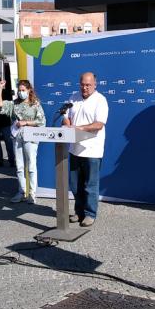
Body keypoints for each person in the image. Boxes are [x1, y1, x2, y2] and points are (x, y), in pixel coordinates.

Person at [62, 72, 108, 227]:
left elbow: (99, 124)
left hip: (92, 150)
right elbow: (65, 115)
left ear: (95, 84)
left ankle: (90, 214)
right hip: (74, 149)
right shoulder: (73, 97)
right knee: (75, 184)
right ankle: (79, 211)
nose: (85, 87)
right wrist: (68, 124)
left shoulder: (100, 100)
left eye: (88, 85)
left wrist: (78, 128)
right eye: (82, 84)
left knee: (90, 185)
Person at [0, 79, 46, 204]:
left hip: (31, 138)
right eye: (19, 90)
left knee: (31, 166)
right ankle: (22, 192)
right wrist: (0, 88)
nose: (21, 93)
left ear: (29, 90)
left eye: (23, 90)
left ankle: (32, 194)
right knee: (19, 167)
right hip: (17, 138)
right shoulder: (14, 104)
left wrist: (26, 122)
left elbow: (41, 121)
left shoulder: (35, 104)